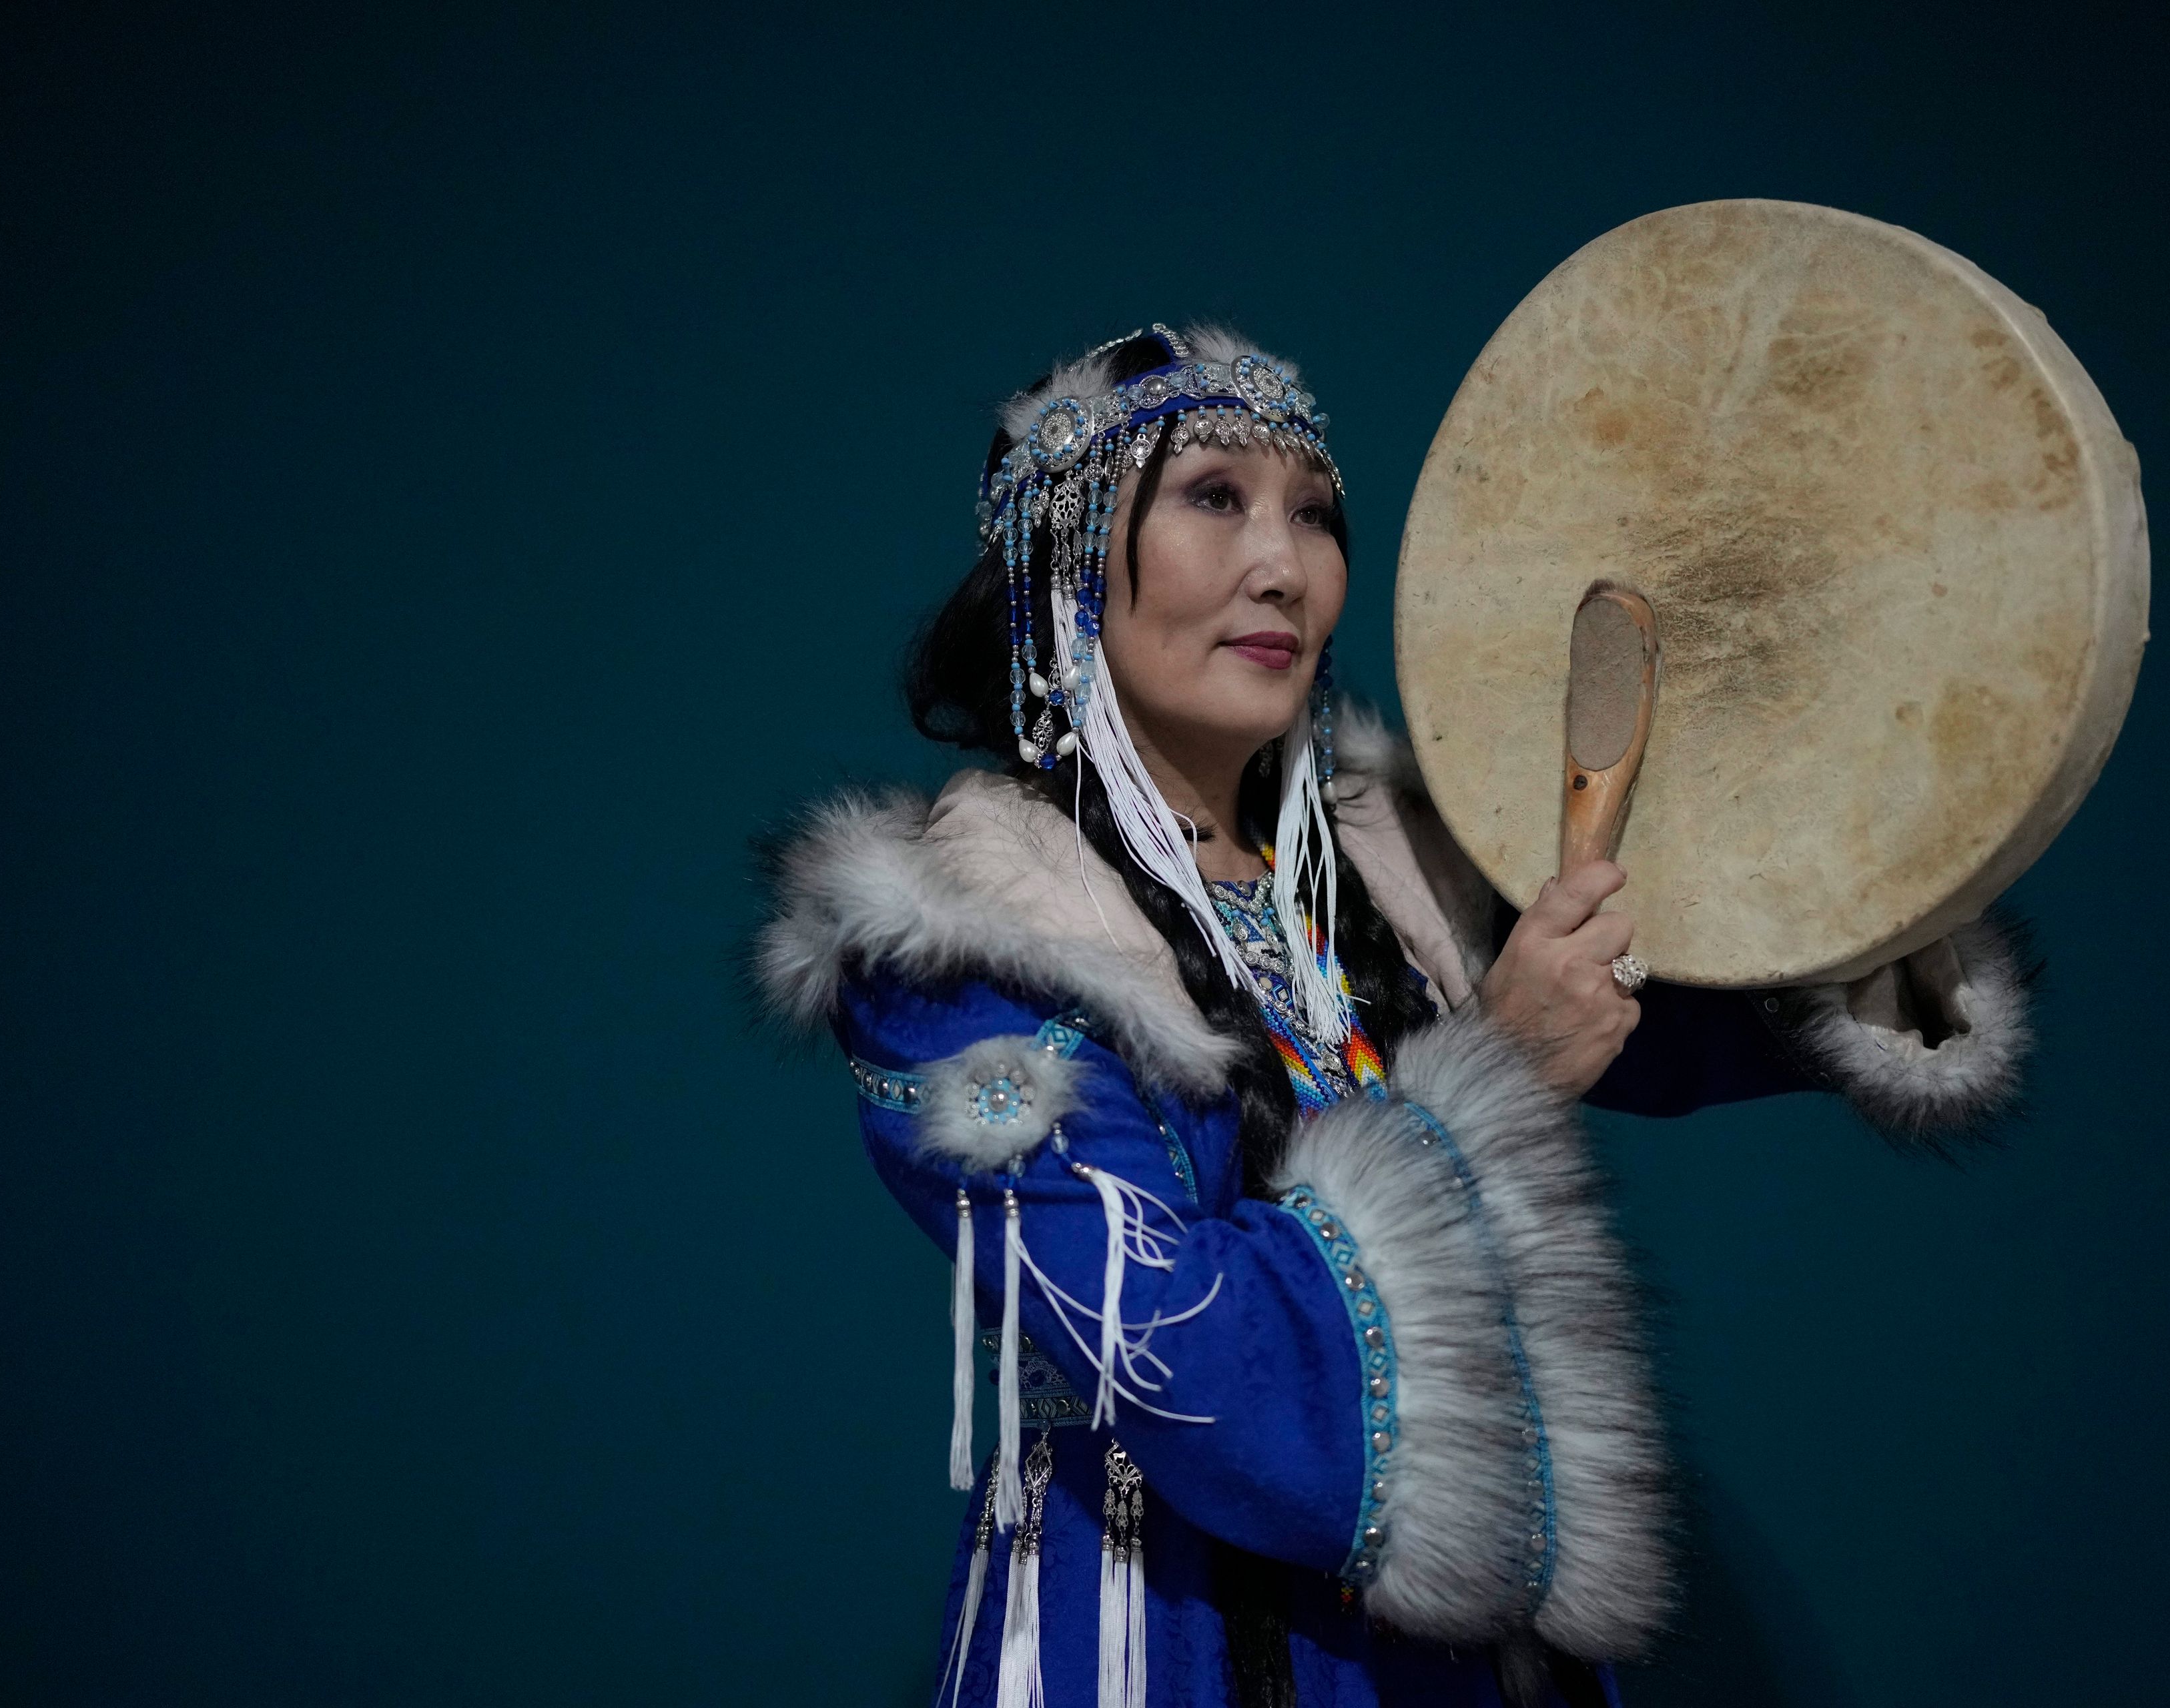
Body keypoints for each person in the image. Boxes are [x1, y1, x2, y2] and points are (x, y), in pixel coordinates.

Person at [755, 324, 2035, 1707]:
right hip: (1178, 1632)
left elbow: (1690, 981)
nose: (1284, 565)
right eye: (1214, 497)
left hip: (1485, 1649)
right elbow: (1200, 1368)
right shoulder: (966, 950)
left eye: (1315, 513)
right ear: (1064, 557)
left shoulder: (1387, 870)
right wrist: (1495, 1064)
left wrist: (1864, 886)